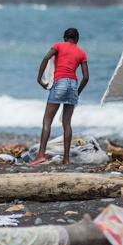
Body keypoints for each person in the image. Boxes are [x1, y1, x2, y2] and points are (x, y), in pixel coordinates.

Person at [31, 29, 89, 165]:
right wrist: (77, 92)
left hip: (60, 82)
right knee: (67, 123)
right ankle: (66, 159)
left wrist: (39, 79)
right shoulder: (81, 53)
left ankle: (40, 155)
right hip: (73, 84)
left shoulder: (58, 46)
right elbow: (86, 77)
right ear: (77, 40)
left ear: (64, 38)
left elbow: (46, 58)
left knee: (47, 121)